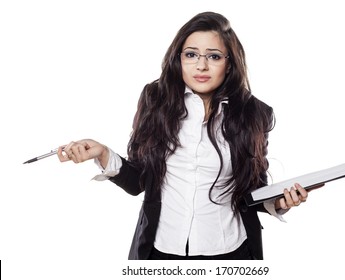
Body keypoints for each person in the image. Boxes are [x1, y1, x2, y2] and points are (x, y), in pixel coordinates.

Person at [57, 11, 314, 260]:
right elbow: (138, 182)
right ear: (178, 58)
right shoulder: (155, 100)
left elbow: (252, 190)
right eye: (191, 55)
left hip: (231, 254)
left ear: (230, 62)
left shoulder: (254, 112)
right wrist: (103, 153)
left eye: (213, 56)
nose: (201, 65)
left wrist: (280, 202)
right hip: (160, 253)